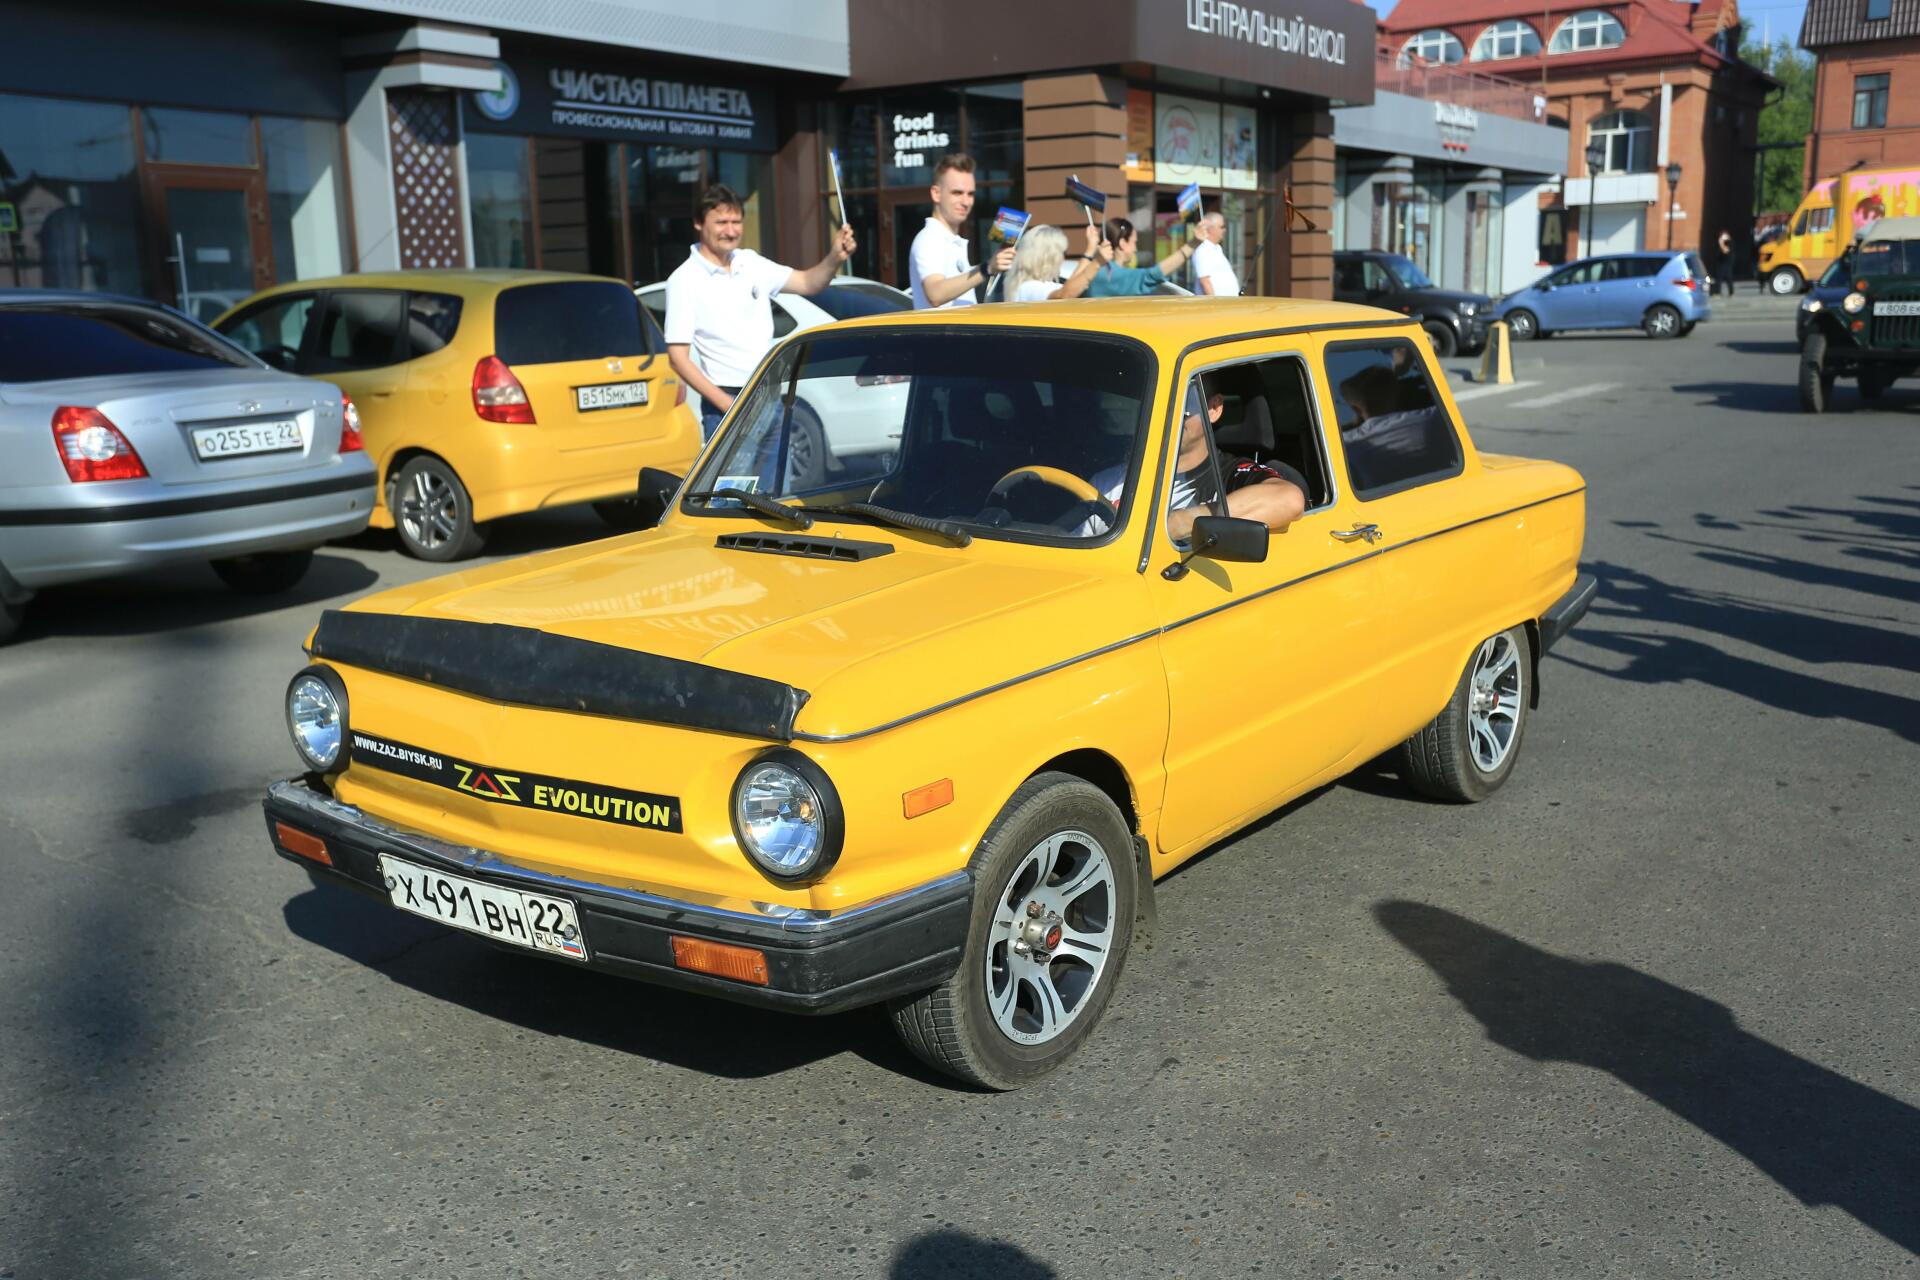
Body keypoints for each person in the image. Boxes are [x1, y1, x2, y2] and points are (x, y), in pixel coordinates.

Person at [665, 184, 856, 441]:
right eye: (721, 222)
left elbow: (808, 283)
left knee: (776, 470)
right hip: (727, 403)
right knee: (735, 472)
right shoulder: (684, 279)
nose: (730, 231)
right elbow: (677, 358)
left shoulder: (750, 262)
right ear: (699, 223)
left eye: (736, 222)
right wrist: (727, 405)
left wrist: (835, 257)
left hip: (768, 394)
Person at [1077, 380, 1306, 539]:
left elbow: (1290, 500)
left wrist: (1183, 522)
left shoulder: (1232, 474)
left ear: (1214, 409)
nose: (1168, 418)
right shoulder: (1109, 480)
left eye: (1183, 409)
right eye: (1155, 407)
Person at [909, 154, 1016, 310]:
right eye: (957, 193)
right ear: (936, 193)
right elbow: (935, 294)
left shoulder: (950, 240)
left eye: (970, 194)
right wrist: (987, 268)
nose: (966, 202)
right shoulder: (929, 239)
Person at [1086, 216, 1202, 298]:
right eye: (1134, 242)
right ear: (1122, 243)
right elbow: (1151, 276)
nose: (1135, 249)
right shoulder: (1110, 274)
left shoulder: (1100, 270)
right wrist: (1192, 245)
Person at [1005, 224, 1112, 301]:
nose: (1063, 258)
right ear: (1049, 256)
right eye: (1063, 252)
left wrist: (1090, 250)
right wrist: (1097, 263)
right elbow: (1065, 295)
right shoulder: (1029, 287)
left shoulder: (1034, 285)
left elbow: (1069, 286)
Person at [1191, 212, 1241, 297]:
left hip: (1227, 302)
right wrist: (1214, 302)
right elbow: (1204, 281)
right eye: (1222, 227)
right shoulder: (1202, 249)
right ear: (1210, 229)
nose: (1224, 230)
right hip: (1216, 303)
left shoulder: (1216, 248)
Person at [1712, 229, 1736, 299]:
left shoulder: (1730, 243)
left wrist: (1721, 243)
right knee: (1719, 279)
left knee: (1729, 278)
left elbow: (1726, 251)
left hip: (1727, 262)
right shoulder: (1718, 243)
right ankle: (1718, 293)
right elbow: (1717, 253)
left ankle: (1731, 293)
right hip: (1720, 262)